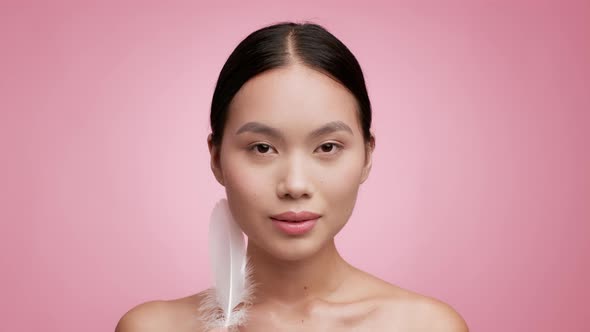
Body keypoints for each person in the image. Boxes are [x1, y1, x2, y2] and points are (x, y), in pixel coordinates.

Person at [116, 21, 469, 332]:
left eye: (328, 147)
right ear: (216, 157)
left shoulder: (426, 327)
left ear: (367, 154)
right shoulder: (153, 328)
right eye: (262, 148)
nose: (295, 185)